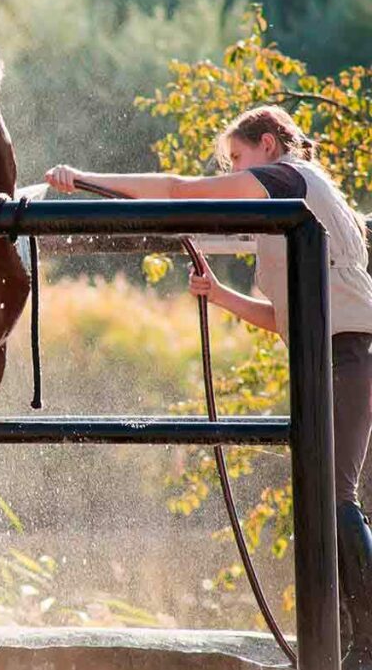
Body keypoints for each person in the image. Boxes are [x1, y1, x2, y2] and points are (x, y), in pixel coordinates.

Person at [44, 105, 372, 669]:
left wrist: (87, 179)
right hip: (340, 352)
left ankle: (365, 638)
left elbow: (177, 188)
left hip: (347, 354)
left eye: (238, 159)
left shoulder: (287, 177)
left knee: (335, 496)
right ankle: (350, 638)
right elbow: (285, 316)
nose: (235, 171)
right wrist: (219, 295)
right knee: (327, 496)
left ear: (268, 145)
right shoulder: (306, 199)